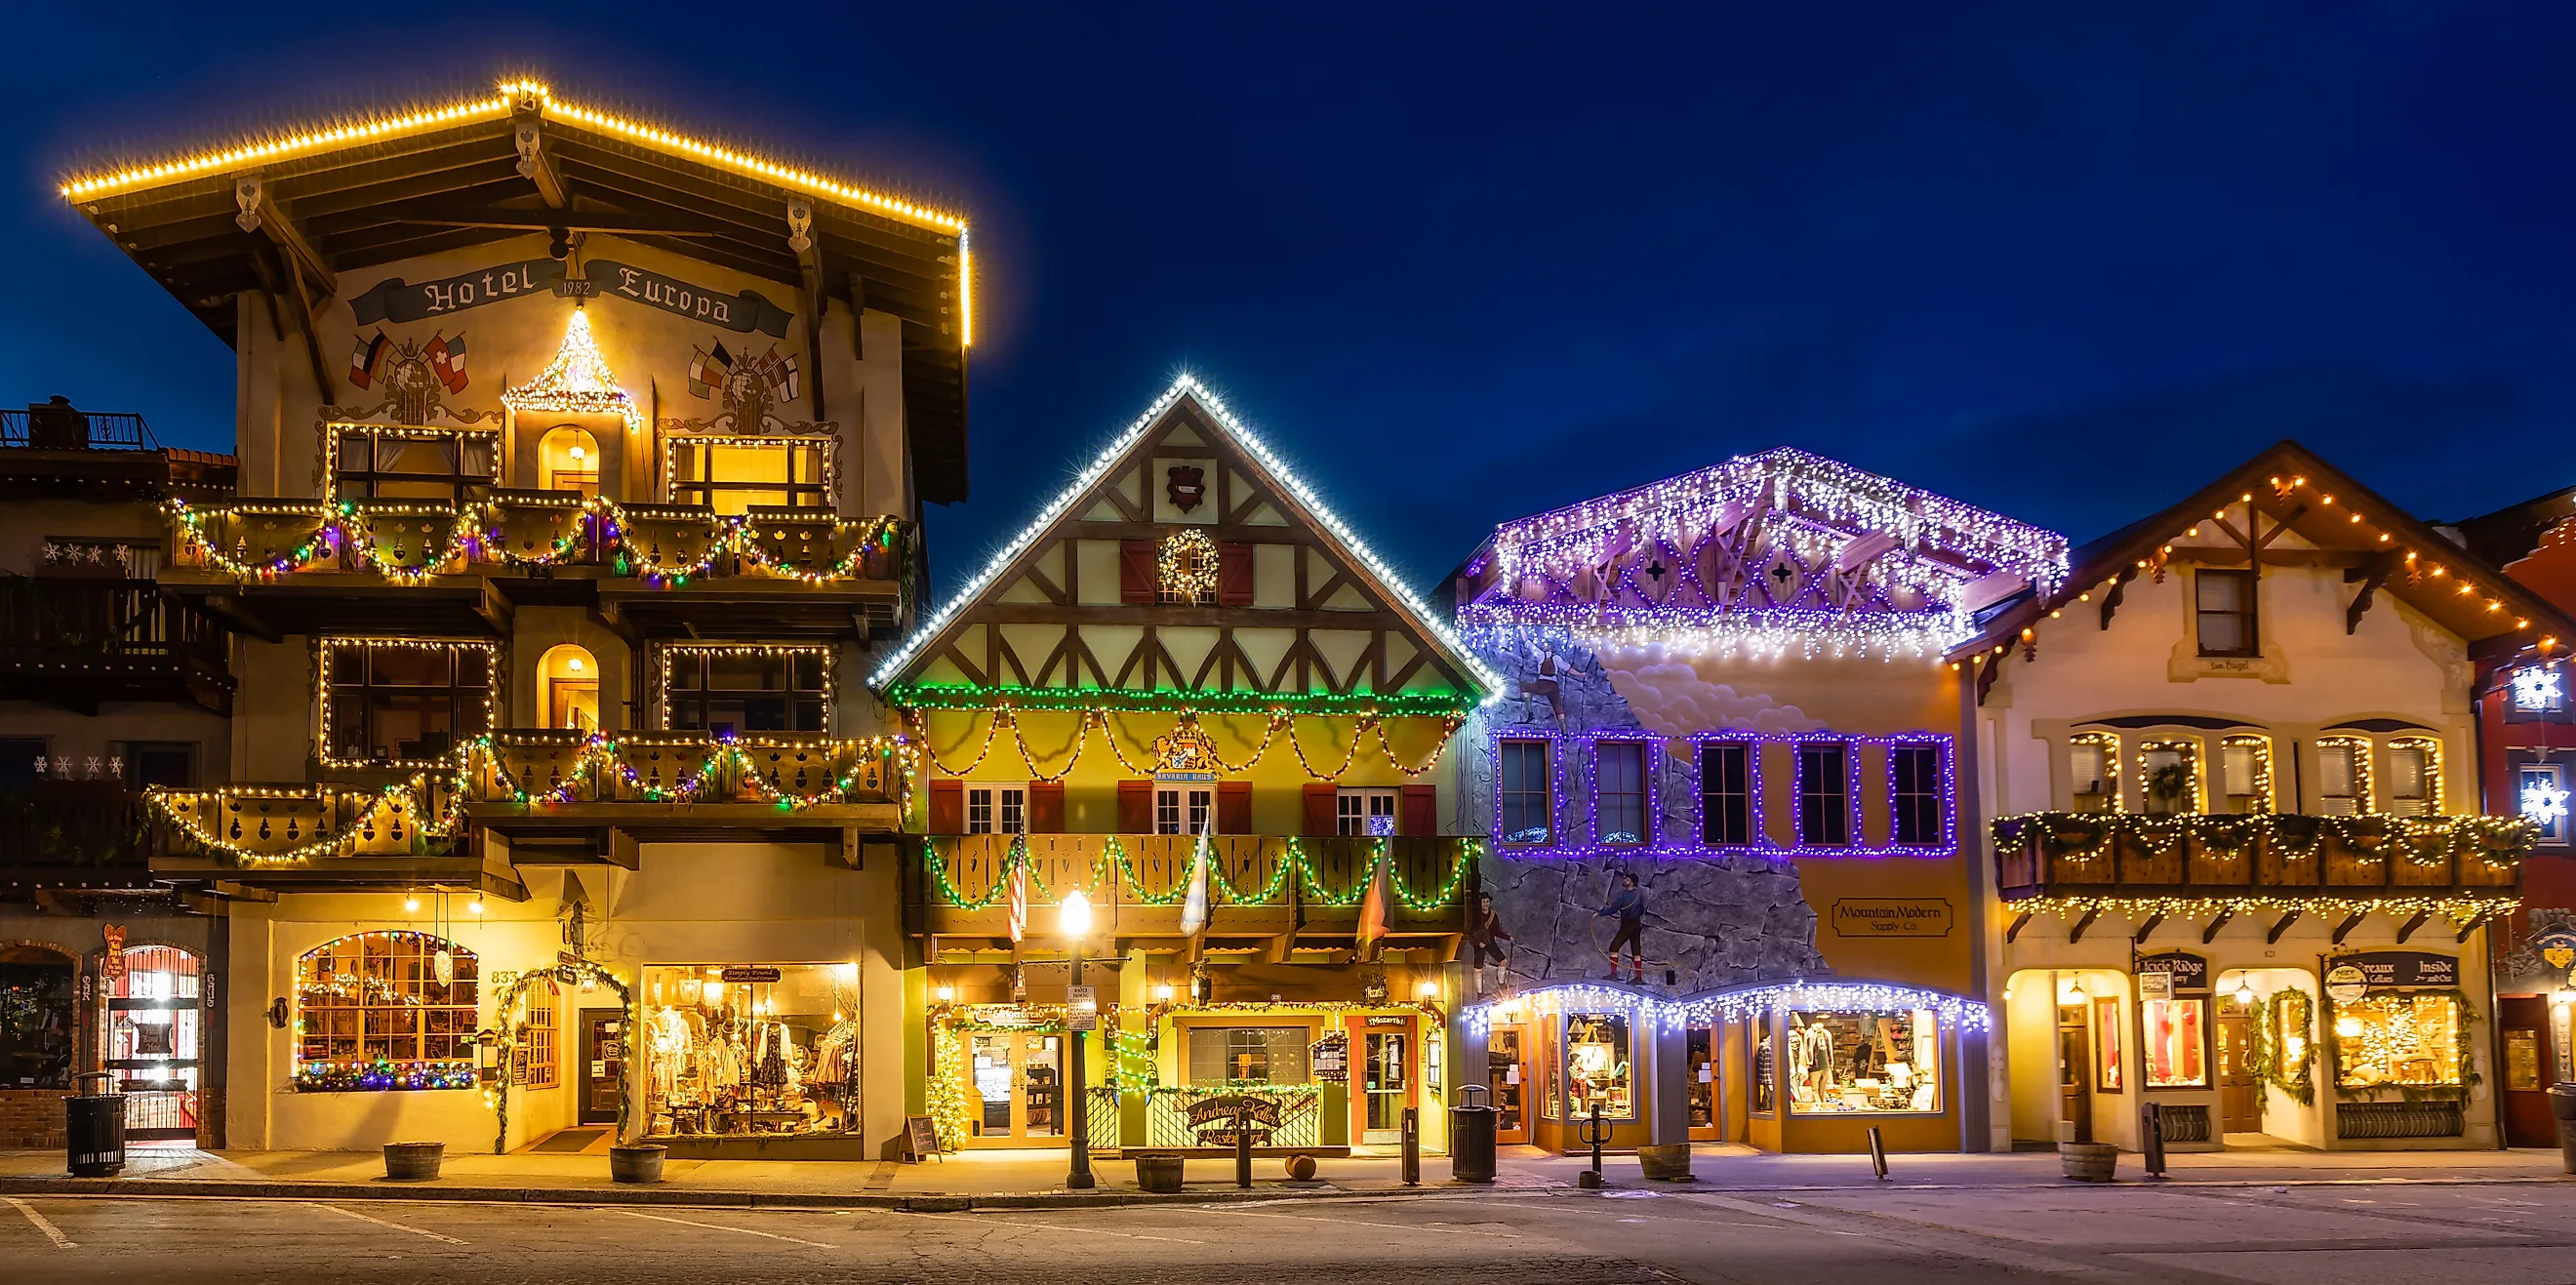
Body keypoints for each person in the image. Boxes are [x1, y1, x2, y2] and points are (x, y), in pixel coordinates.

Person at [1596, 871, 1646, 983]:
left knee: (1614, 948)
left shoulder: (1623, 895)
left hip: (1627, 925)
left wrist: (1600, 914)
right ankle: (1639, 977)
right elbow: (1642, 911)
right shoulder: (1639, 895)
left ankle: (1613, 974)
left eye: (1627, 879)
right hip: (1636, 925)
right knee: (1636, 951)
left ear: (1632, 882)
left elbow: (1614, 909)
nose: (1625, 881)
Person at [1466, 892, 1513, 996]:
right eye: (1483, 902)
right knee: (1478, 968)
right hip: (1479, 944)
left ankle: (1501, 984)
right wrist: (1478, 942)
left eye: (1487, 901)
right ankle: (1480, 993)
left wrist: (1508, 937)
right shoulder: (1475, 916)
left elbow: (1496, 931)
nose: (1486, 904)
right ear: (1480, 903)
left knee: (1503, 961)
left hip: (1490, 942)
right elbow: (1470, 930)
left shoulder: (1493, 915)